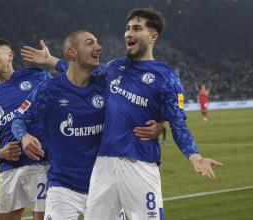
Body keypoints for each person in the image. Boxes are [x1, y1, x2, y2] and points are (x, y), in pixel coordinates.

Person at [82, 8, 223, 220]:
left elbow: (178, 122)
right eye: (127, 28)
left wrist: (195, 157)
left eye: (137, 28)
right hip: (103, 165)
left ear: (153, 36)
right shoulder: (114, 67)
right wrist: (52, 62)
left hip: (140, 164)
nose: (128, 33)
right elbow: (80, 75)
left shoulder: (166, 77)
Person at [12, 30, 162, 220]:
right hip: (63, 187)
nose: (99, 47)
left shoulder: (106, 85)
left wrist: (159, 126)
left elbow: (143, 105)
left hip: (106, 187)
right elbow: (18, 118)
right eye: (90, 43)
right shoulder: (48, 90)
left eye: (97, 43)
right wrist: (23, 137)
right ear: (72, 52)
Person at [0, 38, 50, 220]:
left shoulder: (37, 76)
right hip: (8, 169)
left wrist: (51, 62)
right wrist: (0, 153)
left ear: (10, 55)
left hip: (40, 162)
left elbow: (64, 91)